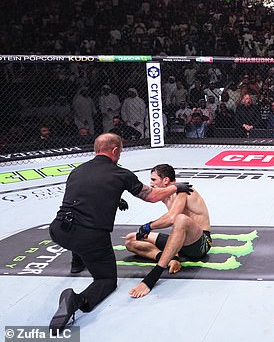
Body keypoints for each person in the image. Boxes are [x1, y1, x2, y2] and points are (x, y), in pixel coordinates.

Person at [48, 133, 192, 331]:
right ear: (115, 151)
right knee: (106, 280)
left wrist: (115, 197)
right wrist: (175, 187)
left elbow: (85, 197)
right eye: (120, 151)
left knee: (77, 227)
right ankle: (77, 300)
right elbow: (151, 196)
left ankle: (76, 263)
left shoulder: (78, 171)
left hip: (58, 231)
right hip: (89, 237)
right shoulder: (120, 174)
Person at [126, 164, 211, 298]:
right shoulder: (167, 195)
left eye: (154, 180)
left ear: (165, 180)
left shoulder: (182, 191)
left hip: (200, 244)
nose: (151, 183)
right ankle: (170, 259)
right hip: (182, 241)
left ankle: (153, 276)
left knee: (180, 219)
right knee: (131, 239)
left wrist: (148, 226)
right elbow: (175, 229)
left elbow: (172, 219)